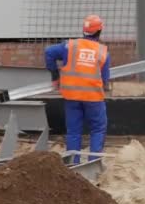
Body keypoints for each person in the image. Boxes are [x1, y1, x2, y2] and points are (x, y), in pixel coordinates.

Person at [45, 15, 111, 163]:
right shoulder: (103, 52)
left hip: (72, 97)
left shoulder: (69, 46)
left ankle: (73, 164)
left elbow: (49, 52)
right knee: (97, 130)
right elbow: (105, 81)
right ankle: (93, 164)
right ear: (99, 31)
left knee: (73, 131)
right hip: (94, 99)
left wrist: (55, 77)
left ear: (84, 30)